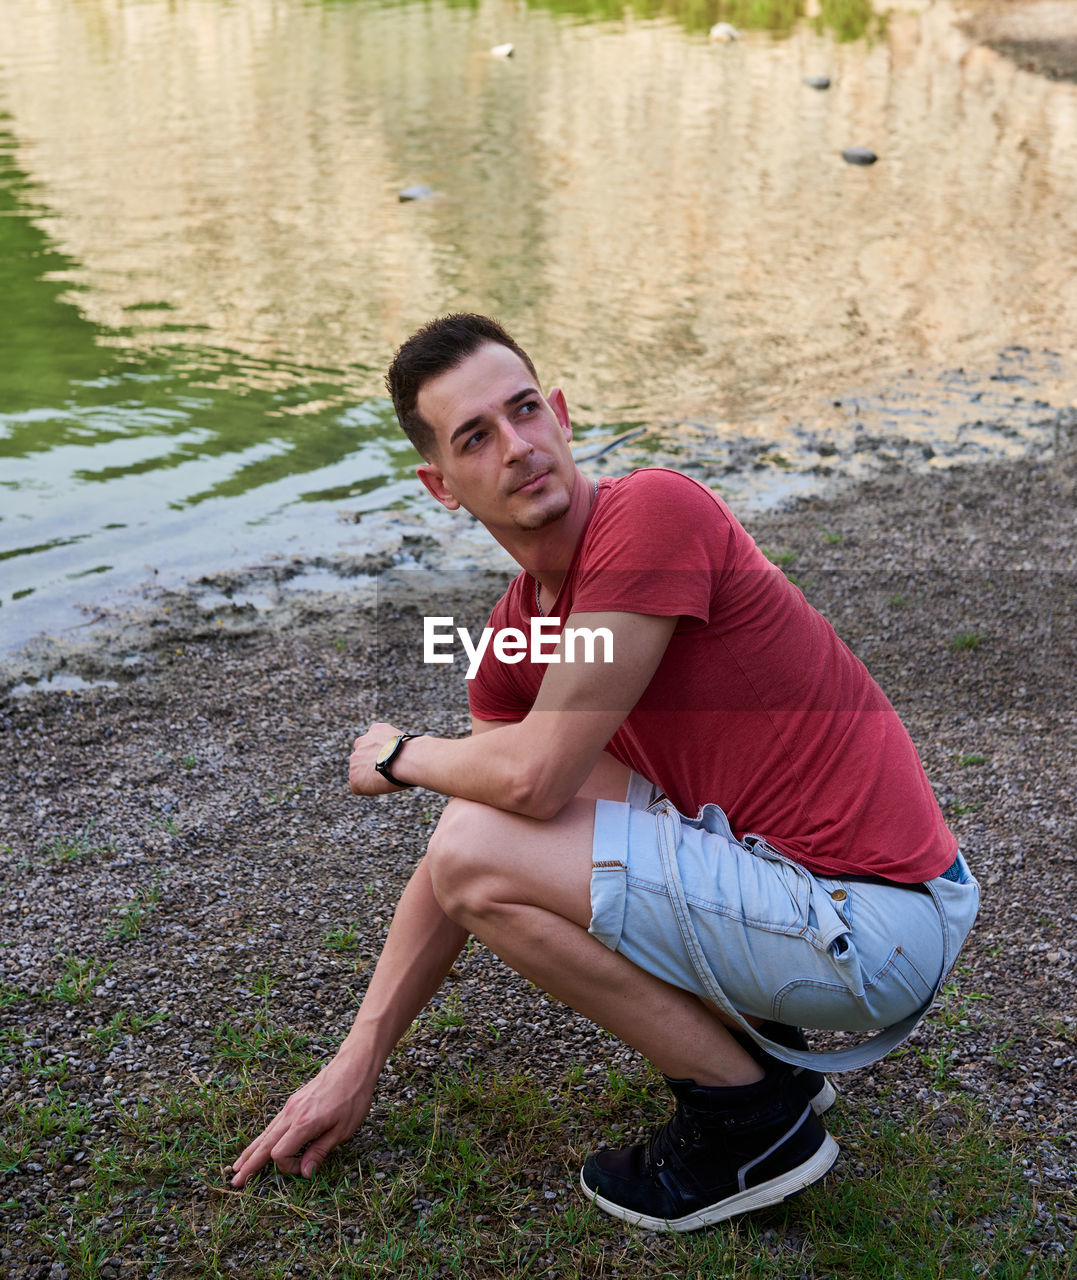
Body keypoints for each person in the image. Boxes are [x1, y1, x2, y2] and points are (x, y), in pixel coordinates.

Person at [229, 313, 979, 1232]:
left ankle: (743, 1122)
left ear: (563, 415)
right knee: (483, 835)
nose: (517, 446)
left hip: (877, 918)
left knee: (487, 832)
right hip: (804, 898)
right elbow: (487, 830)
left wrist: (401, 755)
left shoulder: (653, 513)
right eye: (476, 437)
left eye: (525, 410)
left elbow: (528, 787)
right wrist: (358, 1057)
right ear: (441, 486)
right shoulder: (512, 643)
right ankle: (770, 1063)